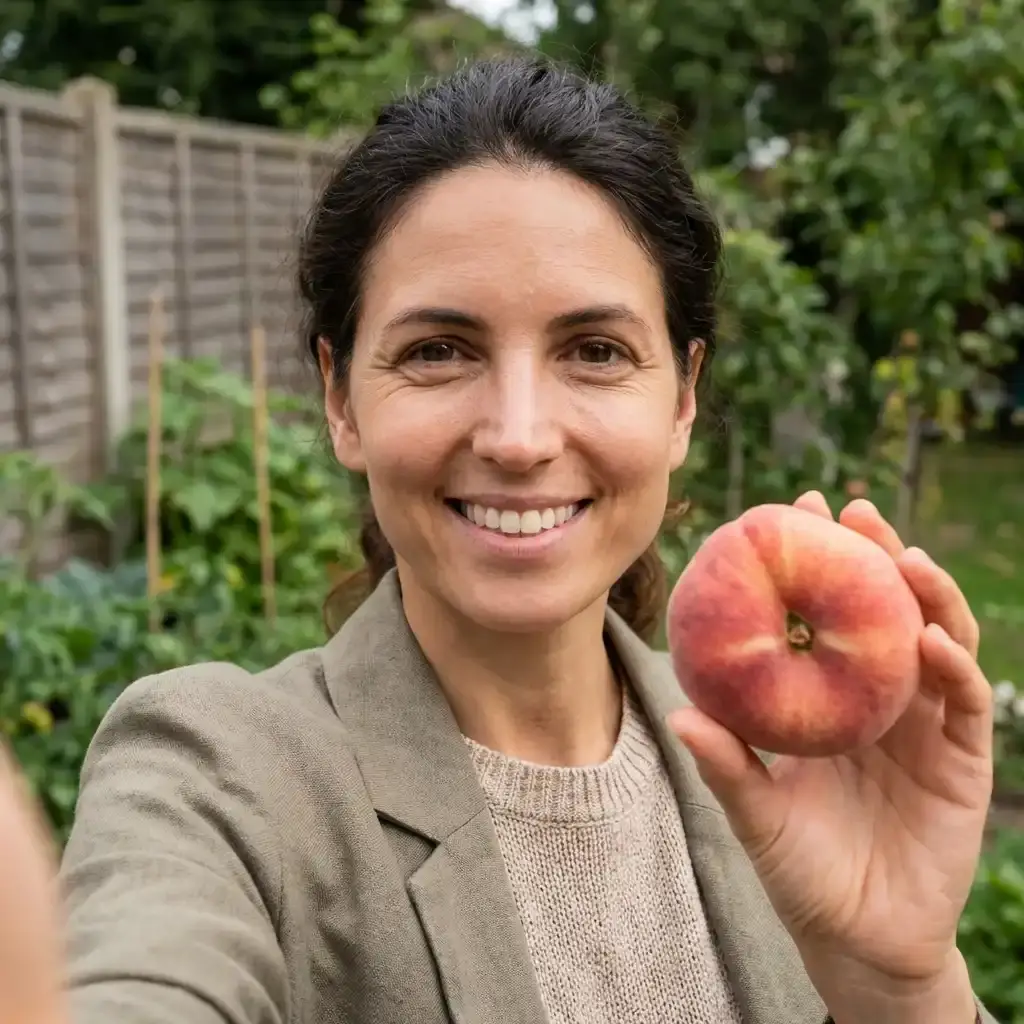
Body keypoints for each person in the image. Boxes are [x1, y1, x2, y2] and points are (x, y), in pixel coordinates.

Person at [0, 56, 998, 1024]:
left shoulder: (785, 778)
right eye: (439, 351)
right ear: (340, 399)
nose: (519, 438)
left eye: (595, 351)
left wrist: (902, 989)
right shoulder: (218, 779)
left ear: (683, 399)